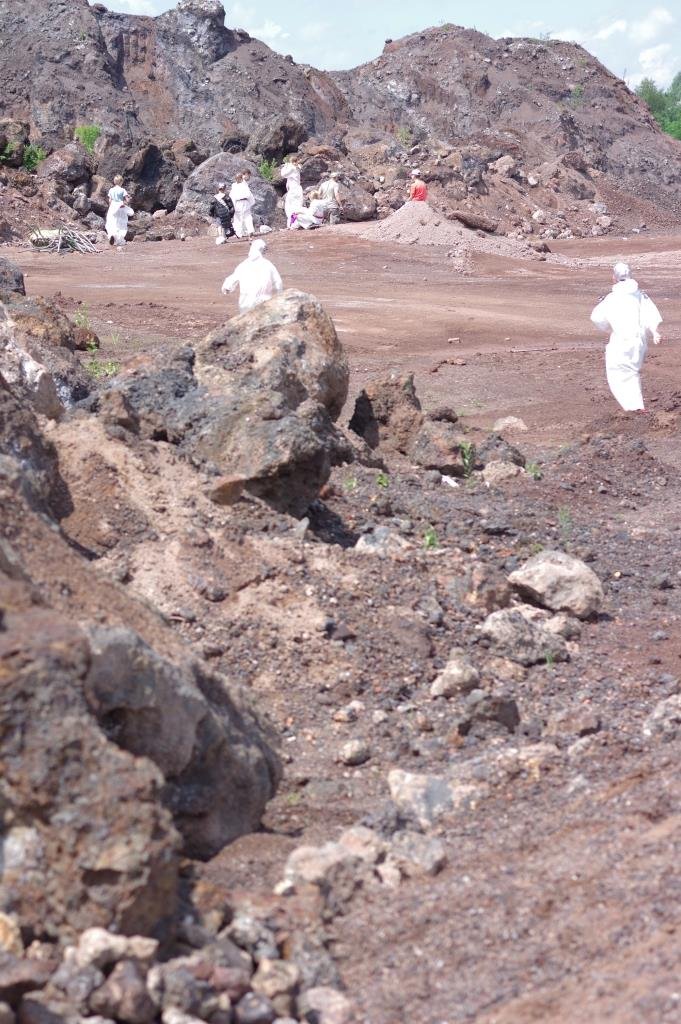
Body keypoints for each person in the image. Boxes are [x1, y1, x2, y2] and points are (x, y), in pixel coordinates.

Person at [590, 261, 662, 412]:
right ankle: (636, 407)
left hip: (621, 341)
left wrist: (609, 329)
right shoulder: (640, 295)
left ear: (614, 278)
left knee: (619, 372)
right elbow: (650, 314)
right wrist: (654, 331)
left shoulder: (611, 298)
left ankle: (635, 409)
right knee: (631, 372)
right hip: (640, 341)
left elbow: (597, 318)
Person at [221, 239, 283, 313]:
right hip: (264, 302)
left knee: (246, 318)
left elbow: (232, 278)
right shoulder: (267, 264)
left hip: (246, 302)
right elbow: (278, 282)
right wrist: (279, 296)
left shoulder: (243, 265)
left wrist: (227, 287)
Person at [106, 175, 134, 247]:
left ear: (114, 182)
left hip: (113, 207)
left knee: (112, 222)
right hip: (120, 207)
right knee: (121, 224)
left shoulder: (111, 190)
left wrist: (111, 207)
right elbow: (127, 200)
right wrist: (129, 199)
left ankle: (112, 235)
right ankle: (119, 240)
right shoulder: (123, 190)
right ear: (121, 182)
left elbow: (110, 201)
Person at [281, 155, 305, 228]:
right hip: (297, 189)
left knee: (290, 207)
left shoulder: (292, 168)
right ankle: (296, 223)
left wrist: (285, 167)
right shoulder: (297, 167)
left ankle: (293, 224)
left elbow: (283, 175)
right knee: (297, 206)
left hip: (293, 190)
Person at [230, 172, 255, 238]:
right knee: (244, 217)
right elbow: (249, 195)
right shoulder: (242, 185)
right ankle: (247, 231)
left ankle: (242, 232)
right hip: (242, 202)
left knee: (241, 218)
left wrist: (232, 205)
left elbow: (232, 197)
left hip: (240, 203)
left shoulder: (237, 186)